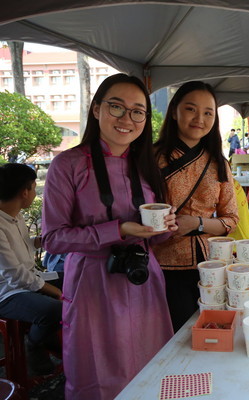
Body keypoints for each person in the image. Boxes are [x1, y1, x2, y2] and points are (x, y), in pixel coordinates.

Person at [42, 73, 178, 400]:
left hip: (142, 282)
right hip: (92, 287)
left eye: (137, 111)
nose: (126, 119)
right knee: (97, 377)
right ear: (96, 109)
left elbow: (154, 239)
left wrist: (162, 229)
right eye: (116, 107)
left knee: (149, 368)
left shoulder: (146, 166)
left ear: (146, 119)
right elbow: (53, 239)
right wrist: (118, 230)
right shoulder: (68, 164)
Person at [153, 81, 238, 332]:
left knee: (209, 332)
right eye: (191, 109)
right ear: (174, 111)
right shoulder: (150, 158)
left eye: (208, 112)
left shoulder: (219, 163)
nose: (199, 118)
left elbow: (231, 219)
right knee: (173, 336)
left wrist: (196, 223)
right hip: (162, 264)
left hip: (210, 267)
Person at [0, 163, 62, 376]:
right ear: (24, 192)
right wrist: (54, 292)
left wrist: (44, 240)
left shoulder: (14, 217)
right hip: (7, 292)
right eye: (35, 188)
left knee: (76, 281)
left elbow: (25, 246)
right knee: (54, 309)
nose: (35, 193)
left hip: (27, 280)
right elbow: (14, 275)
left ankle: (50, 337)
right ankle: (34, 344)